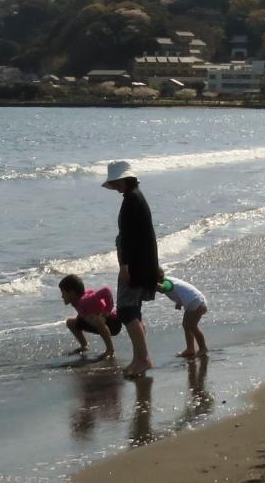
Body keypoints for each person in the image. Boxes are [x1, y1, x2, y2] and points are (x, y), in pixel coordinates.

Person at [103, 160, 160, 377]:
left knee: (127, 311)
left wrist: (124, 266)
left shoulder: (131, 201)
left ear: (125, 180)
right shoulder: (136, 197)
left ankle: (143, 359)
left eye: (116, 182)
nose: (114, 186)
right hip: (144, 263)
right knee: (134, 311)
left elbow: (128, 239)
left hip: (135, 265)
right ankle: (139, 359)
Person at [58, 274, 120, 358]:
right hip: (97, 323)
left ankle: (110, 349)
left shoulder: (86, 300)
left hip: (112, 323)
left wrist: (106, 312)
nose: (62, 296)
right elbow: (85, 311)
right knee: (70, 322)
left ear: (72, 293)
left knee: (94, 319)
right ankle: (84, 345)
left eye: (63, 293)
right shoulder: (76, 301)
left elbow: (106, 291)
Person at [157, 272, 208, 357]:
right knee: (186, 325)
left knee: (192, 326)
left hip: (195, 302)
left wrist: (150, 282)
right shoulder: (169, 280)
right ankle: (190, 349)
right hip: (196, 300)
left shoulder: (167, 283)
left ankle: (203, 348)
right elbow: (182, 290)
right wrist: (179, 302)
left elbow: (163, 288)